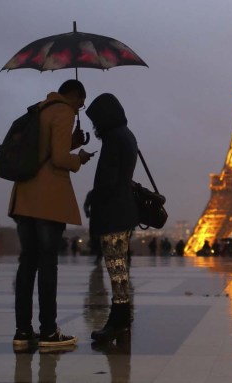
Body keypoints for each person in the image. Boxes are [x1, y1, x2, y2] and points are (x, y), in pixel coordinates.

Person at [9, 79, 94, 348]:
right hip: (47, 200)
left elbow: (44, 149)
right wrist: (78, 158)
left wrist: (69, 142)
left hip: (24, 196)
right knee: (48, 264)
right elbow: (58, 159)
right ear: (75, 95)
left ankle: (22, 332)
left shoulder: (40, 108)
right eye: (81, 102)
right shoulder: (64, 111)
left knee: (27, 264)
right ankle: (48, 331)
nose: (80, 108)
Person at [85, 93, 139, 343]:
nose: (95, 126)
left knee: (116, 269)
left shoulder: (113, 139)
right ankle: (121, 318)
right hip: (124, 211)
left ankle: (118, 321)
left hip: (113, 214)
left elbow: (108, 181)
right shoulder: (127, 135)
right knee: (119, 271)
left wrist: (93, 196)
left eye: (96, 120)